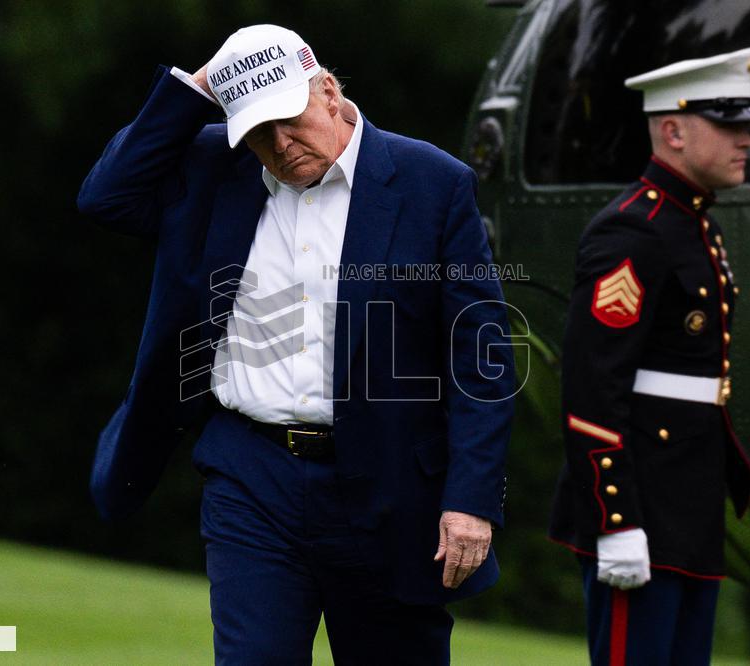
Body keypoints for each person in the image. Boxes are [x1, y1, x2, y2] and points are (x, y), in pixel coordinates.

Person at [77, 24, 515, 665]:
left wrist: (471, 500)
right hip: (250, 476)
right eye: (258, 131)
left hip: (389, 485)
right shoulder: (215, 167)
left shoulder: (432, 182)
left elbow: (481, 357)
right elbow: (106, 196)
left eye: (289, 119)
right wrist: (199, 87)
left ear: (328, 92)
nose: (279, 145)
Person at [548, 48, 750, 665]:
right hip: (640, 505)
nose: (748, 139)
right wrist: (615, 518)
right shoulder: (633, 231)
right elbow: (593, 387)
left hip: (687, 506)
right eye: (728, 123)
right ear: (673, 131)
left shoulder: (696, 227)